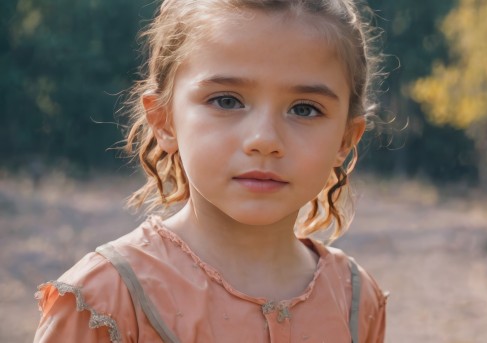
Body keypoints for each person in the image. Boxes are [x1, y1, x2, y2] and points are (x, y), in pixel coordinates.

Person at [34, 0, 388, 341]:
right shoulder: (106, 298)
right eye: (227, 101)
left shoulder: (356, 300)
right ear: (165, 121)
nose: (264, 139)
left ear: (345, 138)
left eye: (305, 109)